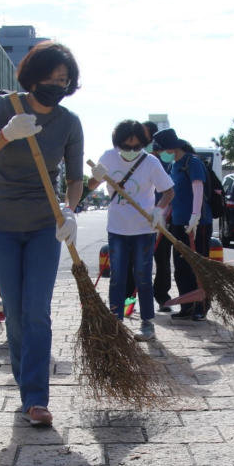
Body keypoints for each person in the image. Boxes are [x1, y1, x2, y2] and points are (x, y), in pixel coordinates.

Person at [0, 41, 83, 427]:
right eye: (50, 78)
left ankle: (35, 397)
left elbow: (75, 178)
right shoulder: (7, 108)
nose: (56, 85)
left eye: (63, 80)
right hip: (0, 222)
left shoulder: (68, 122)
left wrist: (69, 209)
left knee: (36, 311)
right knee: (15, 313)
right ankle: (26, 383)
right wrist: (7, 134)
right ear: (33, 77)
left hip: (42, 223)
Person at [90, 120, 175, 341]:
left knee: (143, 276)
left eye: (136, 147)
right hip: (117, 229)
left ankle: (147, 323)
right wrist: (96, 177)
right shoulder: (108, 157)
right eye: (126, 147)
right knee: (117, 277)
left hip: (143, 230)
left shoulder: (151, 162)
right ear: (117, 144)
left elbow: (168, 191)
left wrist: (159, 211)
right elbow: (90, 185)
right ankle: (116, 321)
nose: (130, 151)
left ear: (143, 145)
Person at [151, 128, 211, 320]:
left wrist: (195, 215)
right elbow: (172, 196)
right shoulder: (172, 167)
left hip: (197, 224)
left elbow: (198, 188)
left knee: (198, 266)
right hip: (178, 223)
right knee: (181, 265)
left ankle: (201, 306)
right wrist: (162, 213)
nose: (162, 156)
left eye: (161, 152)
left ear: (170, 148)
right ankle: (187, 305)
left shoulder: (191, 162)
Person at [144, 120, 175, 312]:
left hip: (163, 216)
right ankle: (130, 297)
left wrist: (161, 211)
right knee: (137, 260)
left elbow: (170, 191)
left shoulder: (166, 161)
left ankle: (162, 297)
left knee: (162, 259)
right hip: (141, 216)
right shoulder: (141, 158)